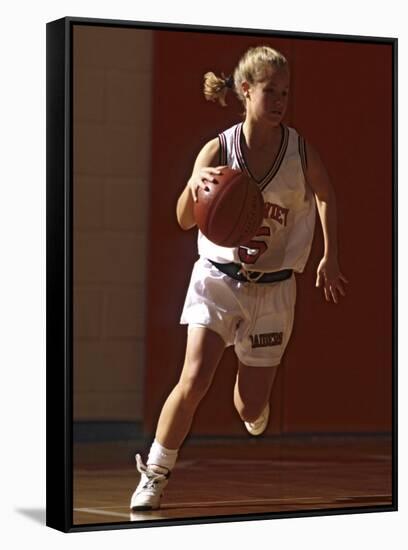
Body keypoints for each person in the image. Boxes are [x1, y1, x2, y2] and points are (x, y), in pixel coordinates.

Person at [130, 45, 348, 511]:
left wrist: (330, 255)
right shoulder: (217, 149)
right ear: (245, 92)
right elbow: (184, 220)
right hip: (218, 280)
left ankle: (254, 406)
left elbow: (326, 194)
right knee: (193, 378)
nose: (280, 101)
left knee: (250, 408)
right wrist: (197, 186)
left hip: (273, 288)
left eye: (285, 93)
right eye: (271, 91)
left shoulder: (298, 150)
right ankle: (155, 473)